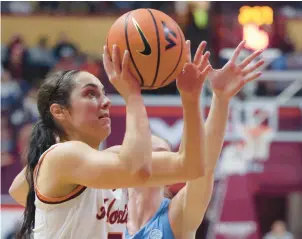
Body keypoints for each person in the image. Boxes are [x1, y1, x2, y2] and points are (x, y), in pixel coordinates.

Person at [9, 42, 209, 239]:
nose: (106, 101)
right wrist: (132, 94)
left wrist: (191, 98)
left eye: (104, 93)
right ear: (59, 111)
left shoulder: (99, 162)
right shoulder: (62, 156)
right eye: (90, 93)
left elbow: (191, 167)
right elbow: (137, 169)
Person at [124, 40, 265, 239]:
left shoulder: (178, 214)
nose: (152, 157)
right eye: (146, 151)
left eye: (161, 154)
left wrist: (220, 99)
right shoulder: (116, 214)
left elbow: (204, 168)